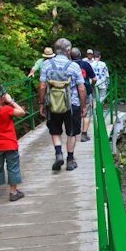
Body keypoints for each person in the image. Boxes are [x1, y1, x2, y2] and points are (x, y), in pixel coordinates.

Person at [39, 38, 86, 171]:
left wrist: (41, 103)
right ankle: (70, 160)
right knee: (71, 132)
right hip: (72, 105)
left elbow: (42, 86)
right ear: (68, 50)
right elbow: (81, 88)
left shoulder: (46, 65)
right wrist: (83, 106)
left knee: (55, 130)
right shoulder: (74, 66)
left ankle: (58, 153)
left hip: (53, 104)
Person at [72, 47, 96, 141]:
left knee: (74, 111)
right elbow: (94, 79)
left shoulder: (69, 65)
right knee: (87, 112)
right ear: (80, 55)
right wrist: (92, 86)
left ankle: (73, 131)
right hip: (85, 90)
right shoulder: (85, 64)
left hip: (72, 92)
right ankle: (84, 134)